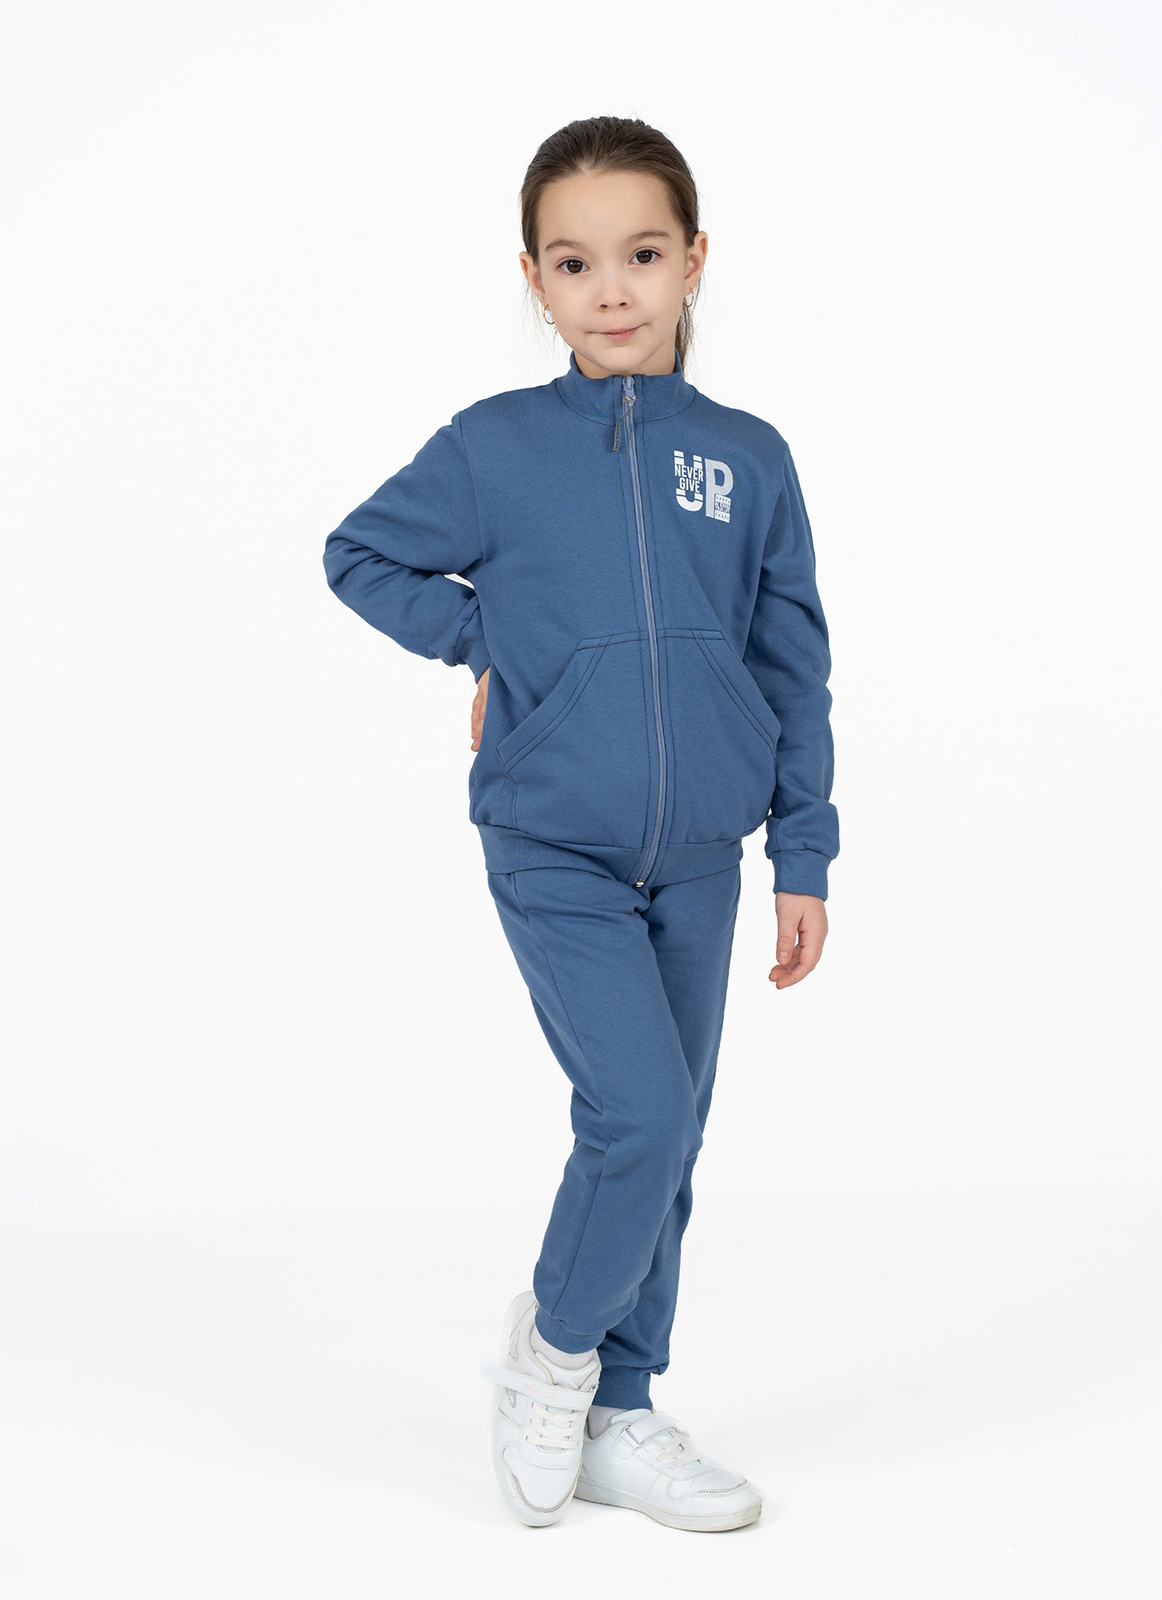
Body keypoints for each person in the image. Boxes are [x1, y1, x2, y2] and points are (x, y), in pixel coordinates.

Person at [322, 115, 838, 1532]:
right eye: (574, 262)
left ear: (694, 261)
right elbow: (357, 553)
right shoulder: (493, 449)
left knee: (672, 1140)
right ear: (535, 280)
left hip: (706, 853)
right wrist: (485, 641)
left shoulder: (748, 458)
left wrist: (803, 850)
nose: (611, 289)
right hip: (553, 838)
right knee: (642, 1112)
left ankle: (625, 1409)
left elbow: (792, 663)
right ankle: (554, 1360)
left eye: (642, 254)